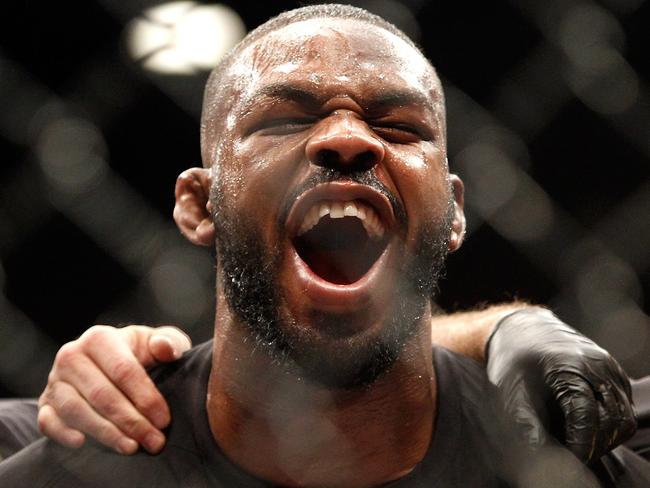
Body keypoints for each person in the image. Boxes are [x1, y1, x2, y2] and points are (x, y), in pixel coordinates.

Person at [0, 5, 644, 486]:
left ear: (453, 212)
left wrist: (511, 327)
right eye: (282, 120)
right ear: (199, 206)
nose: (347, 139)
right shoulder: (62, 463)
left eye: (396, 125)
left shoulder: (589, 457)